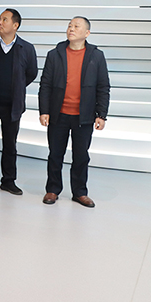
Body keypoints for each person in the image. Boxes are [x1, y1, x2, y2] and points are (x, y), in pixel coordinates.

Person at [39, 17, 110, 208]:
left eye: (76, 26)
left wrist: (101, 114)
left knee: (81, 156)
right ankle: (53, 189)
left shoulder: (96, 56)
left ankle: (80, 192)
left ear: (87, 33)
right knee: (55, 154)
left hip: (84, 116)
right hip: (58, 114)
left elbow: (103, 86)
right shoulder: (55, 54)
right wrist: (44, 110)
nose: (71, 28)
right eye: (69, 25)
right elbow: (45, 84)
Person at [0, 9, 38, 195]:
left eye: (4, 19)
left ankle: (8, 181)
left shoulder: (26, 48)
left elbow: (31, 73)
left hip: (12, 106)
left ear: (15, 25)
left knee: (10, 145)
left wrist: (17, 86)